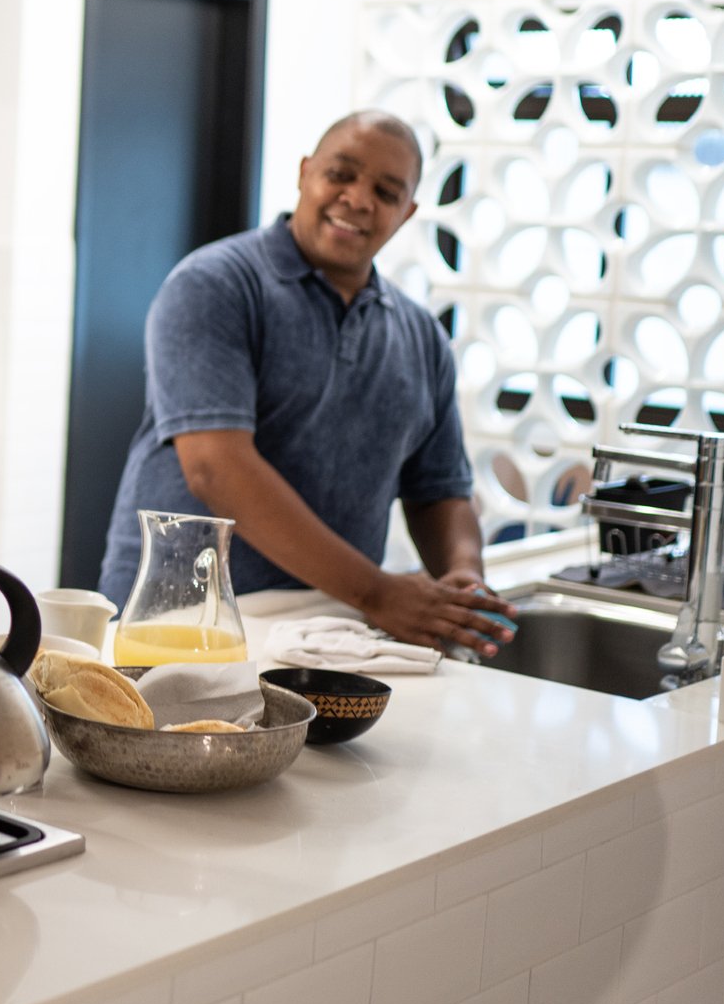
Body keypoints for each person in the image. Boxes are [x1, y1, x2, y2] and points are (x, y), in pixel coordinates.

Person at [96, 110, 519, 655]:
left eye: (386, 192)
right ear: (304, 173)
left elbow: (439, 490)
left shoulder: (420, 337)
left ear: (407, 213)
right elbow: (215, 467)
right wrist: (378, 591)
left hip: (328, 630)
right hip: (176, 621)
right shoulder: (216, 285)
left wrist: (463, 576)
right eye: (340, 174)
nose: (358, 199)